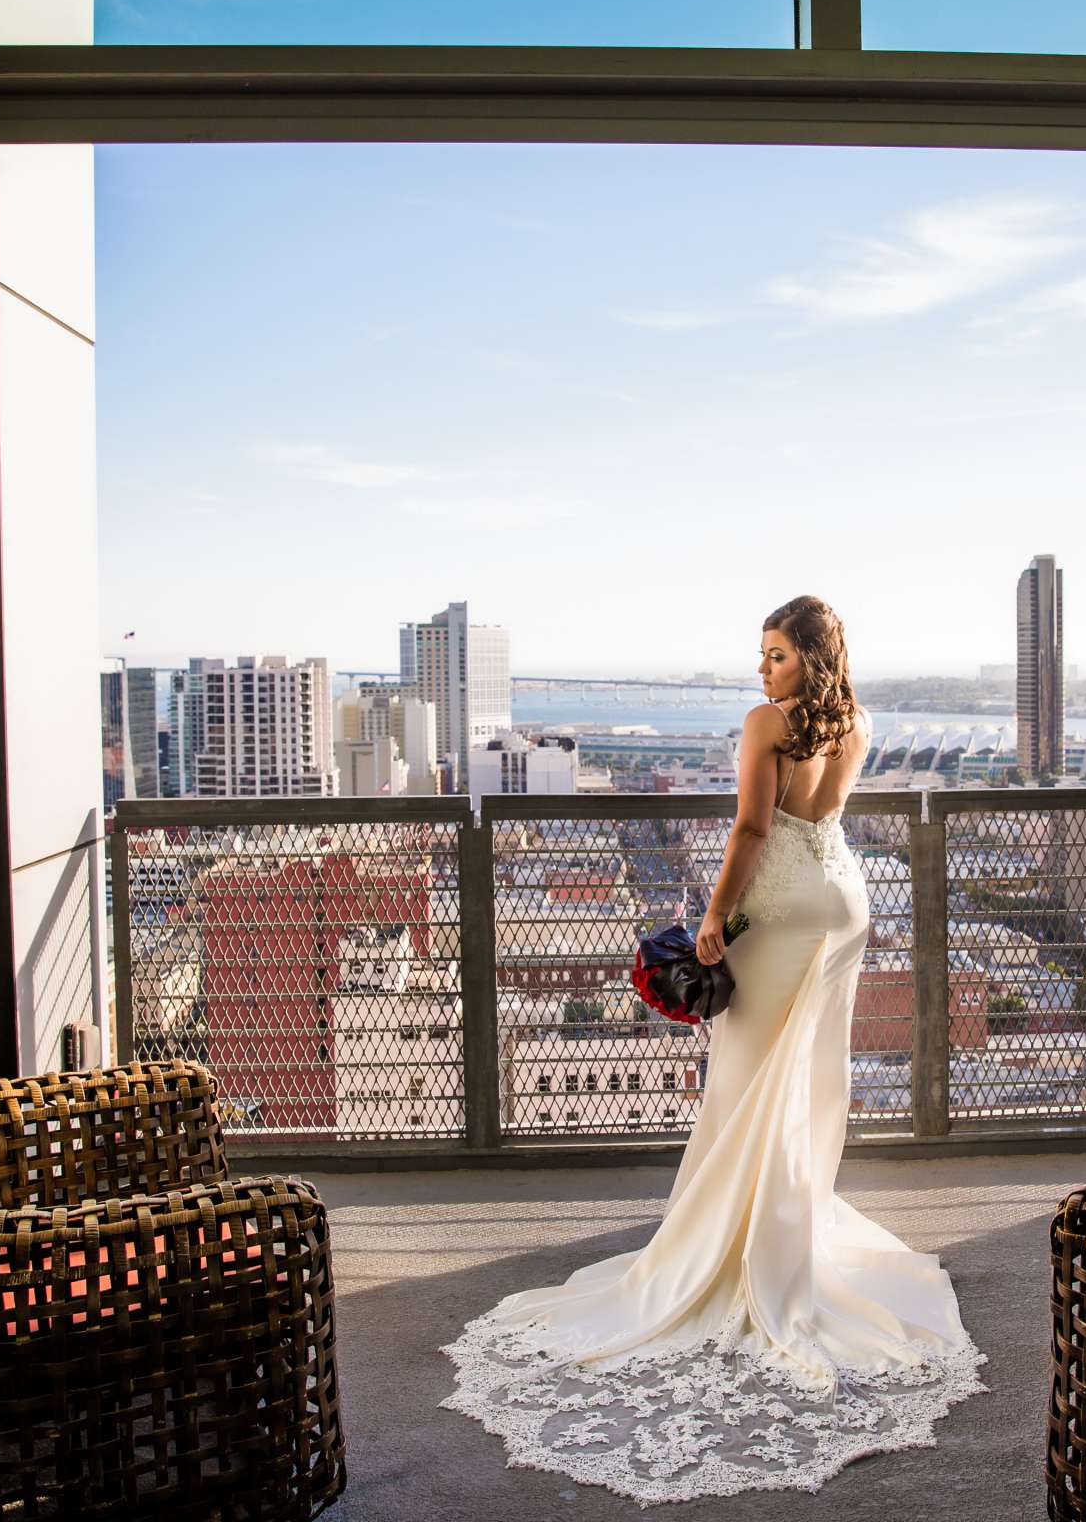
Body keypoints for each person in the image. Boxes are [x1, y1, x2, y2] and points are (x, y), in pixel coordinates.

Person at [439, 595, 989, 1505]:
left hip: (778, 912)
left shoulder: (767, 724)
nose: (762, 670)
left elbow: (751, 830)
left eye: (776, 654)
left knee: (743, 1084)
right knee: (811, 1081)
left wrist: (709, 918)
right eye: (760, 656)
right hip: (846, 903)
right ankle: (793, 1228)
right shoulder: (858, 720)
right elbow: (823, 819)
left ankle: (746, 1251)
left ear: (808, 657)